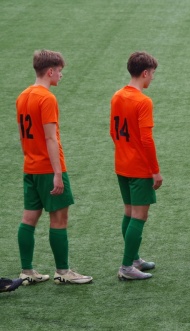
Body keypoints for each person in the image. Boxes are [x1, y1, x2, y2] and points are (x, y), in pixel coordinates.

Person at [15, 50, 93, 285]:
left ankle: (26, 271)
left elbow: (23, 136)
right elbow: (51, 139)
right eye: (59, 71)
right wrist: (58, 173)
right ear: (50, 71)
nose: (60, 75)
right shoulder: (46, 98)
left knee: (29, 219)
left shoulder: (22, 96)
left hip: (30, 167)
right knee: (59, 220)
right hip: (48, 168)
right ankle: (63, 271)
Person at [110, 51, 163, 281]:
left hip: (121, 164)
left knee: (129, 212)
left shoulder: (117, 96)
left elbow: (113, 132)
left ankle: (133, 258)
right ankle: (126, 267)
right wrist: (155, 170)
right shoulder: (143, 101)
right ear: (144, 73)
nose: (152, 78)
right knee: (139, 216)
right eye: (152, 74)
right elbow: (146, 139)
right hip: (139, 168)